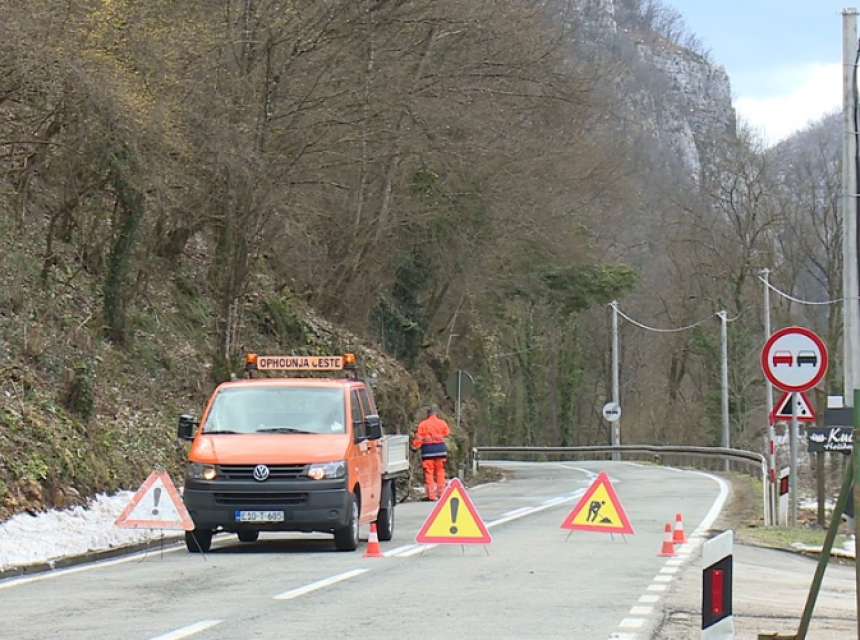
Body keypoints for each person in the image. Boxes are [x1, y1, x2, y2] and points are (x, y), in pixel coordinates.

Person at [411, 406, 451, 501]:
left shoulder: (423, 425)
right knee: (440, 472)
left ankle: (431, 496)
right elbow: (447, 433)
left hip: (428, 451)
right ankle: (441, 494)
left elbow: (419, 438)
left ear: (427, 415)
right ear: (435, 414)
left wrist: (414, 447)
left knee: (429, 472)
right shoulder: (442, 423)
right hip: (440, 450)